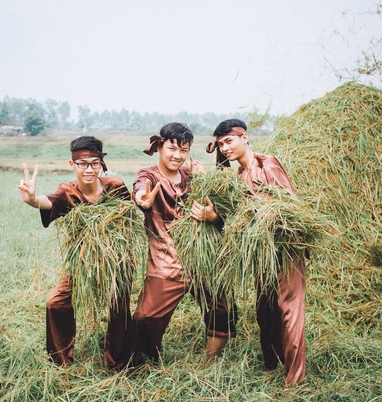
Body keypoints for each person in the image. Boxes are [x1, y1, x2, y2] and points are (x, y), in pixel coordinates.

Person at [204, 118, 306, 388]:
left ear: (244, 137)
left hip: (285, 250)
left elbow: (291, 209)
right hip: (262, 255)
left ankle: (295, 381)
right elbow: (237, 221)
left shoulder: (267, 164)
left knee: (290, 312)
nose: (225, 148)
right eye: (221, 144)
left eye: (229, 141)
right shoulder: (239, 176)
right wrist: (214, 217)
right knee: (265, 311)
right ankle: (272, 364)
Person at [18, 136, 133, 369]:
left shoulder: (116, 187)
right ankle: (61, 363)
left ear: (101, 163)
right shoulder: (67, 192)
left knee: (119, 308)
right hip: (80, 263)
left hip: (115, 263)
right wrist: (31, 199)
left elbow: (130, 223)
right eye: (82, 164)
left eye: (94, 163)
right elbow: (48, 202)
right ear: (73, 165)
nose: (89, 169)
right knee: (56, 303)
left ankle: (116, 363)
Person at [130, 122, 238, 366]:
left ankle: (210, 364)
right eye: (172, 148)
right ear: (159, 146)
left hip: (202, 259)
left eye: (184, 150)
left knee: (222, 308)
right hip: (166, 261)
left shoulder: (191, 176)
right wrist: (143, 199)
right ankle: (144, 364)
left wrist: (203, 184)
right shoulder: (148, 175)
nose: (177, 156)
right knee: (146, 316)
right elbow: (140, 191)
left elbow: (218, 208)